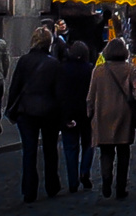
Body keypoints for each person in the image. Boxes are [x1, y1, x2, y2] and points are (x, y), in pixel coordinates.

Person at [7, 27, 62, 201]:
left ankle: (29, 190)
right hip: (49, 111)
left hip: (27, 111)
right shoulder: (54, 64)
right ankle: (52, 185)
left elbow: (15, 86)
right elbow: (59, 92)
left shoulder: (24, 61)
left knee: (29, 151)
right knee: (50, 149)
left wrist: (11, 109)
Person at [87, 38, 136, 200]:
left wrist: (90, 113)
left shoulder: (98, 70)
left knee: (106, 151)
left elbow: (90, 97)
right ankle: (120, 186)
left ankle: (106, 180)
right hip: (123, 114)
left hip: (103, 114)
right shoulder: (129, 69)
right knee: (123, 152)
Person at [54, 40, 94, 192]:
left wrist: (63, 116)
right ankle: (84, 170)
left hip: (69, 114)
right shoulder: (90, 69)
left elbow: (60, 94)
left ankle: (72, 181)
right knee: (88, 144)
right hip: (86, 114)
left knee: (70, 148)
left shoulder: (62, 69)